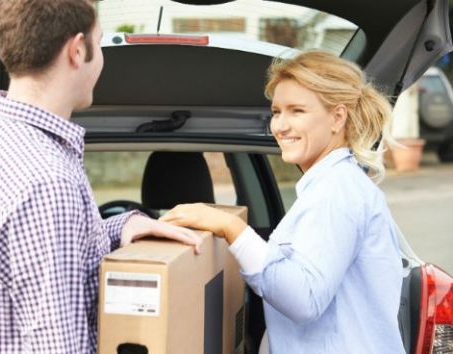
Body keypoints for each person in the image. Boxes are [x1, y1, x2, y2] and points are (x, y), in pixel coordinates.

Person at [0, 1, 200, 353]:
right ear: (77, 50)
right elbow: (57, 346)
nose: (101, 58)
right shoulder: (48, 180)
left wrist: (119, 228)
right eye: (99, 43)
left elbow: (20, 254)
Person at [161, 51, 406, 353]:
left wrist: (230, 227)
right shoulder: (332, 186)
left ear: (337, 117)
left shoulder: (337, 191)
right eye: (277, 112)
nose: (280, 126)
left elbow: (303, 300)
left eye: (297, 111)